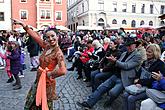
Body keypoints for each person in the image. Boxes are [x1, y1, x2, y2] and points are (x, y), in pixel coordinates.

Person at [11, 18, 67, 110]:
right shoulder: (46, 46)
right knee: (33, 103)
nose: (50, 39)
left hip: (47, 83)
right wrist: (24, 25)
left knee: (44, 105)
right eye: (48, 37)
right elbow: (35, 37)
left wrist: (50, 74)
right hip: (38, 80)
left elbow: (63, 70)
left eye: (53, 36)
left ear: (57, 36)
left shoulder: (58, 52)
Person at [76, 37, 143, 109]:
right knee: (101, 88)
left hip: (124, 79)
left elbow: (126, 66)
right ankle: (88, 103)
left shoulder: (138, 55)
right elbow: (117, 63)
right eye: (128, 45)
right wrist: (112, 61)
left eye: (131, 45)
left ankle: (109, 101)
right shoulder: (124, 53)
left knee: (113, 93)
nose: (129, 47)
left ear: (135, 45)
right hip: (115, 75)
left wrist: (115, 61)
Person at [123, 43, 165, 110]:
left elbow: (153, 81)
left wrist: (140, 82)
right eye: (146, 51)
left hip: (150, 89)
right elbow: (138, 73)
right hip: (140, 85)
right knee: (125, 95)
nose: (147, 53)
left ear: (155, 53)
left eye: (149, 52)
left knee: (131, 98)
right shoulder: (145, 62)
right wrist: (137, 80)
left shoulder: (160, 64)